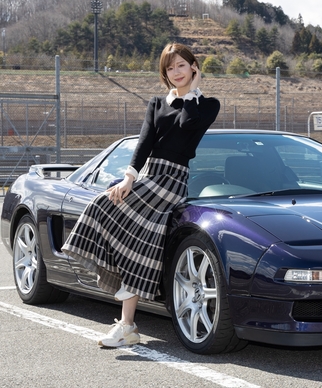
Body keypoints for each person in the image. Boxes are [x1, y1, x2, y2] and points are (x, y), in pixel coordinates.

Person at [62, 43, 220, 348]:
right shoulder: (157, 103)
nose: (176, 72)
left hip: (172, 180)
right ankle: (127, 324)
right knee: (114, 215)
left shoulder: (207, 105)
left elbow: (187, 123)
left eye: (181, 65)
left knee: (137, 238)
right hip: (149, 175)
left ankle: (126, 317)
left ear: (193, 66)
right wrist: (129, 178)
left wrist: (192, 91)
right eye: (170, 68)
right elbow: (145, 143)